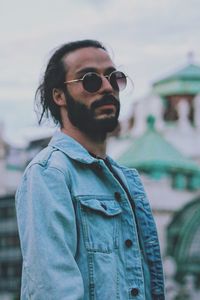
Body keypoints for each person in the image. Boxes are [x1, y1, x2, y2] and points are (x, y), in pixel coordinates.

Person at [16, 39, 165, 300]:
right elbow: (52, 291)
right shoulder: (50, 174)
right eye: (90, 79)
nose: (107, 87)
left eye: (113, 77)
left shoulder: (124, 178)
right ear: (59, 95)